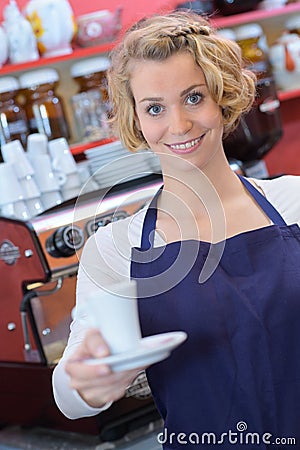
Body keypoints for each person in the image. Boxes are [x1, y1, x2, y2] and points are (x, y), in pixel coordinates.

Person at [52, 10, 300, 449]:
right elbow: (71, 395)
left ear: (222, 95)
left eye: (192, 97)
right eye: (154, 108)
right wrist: (87, 383)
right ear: (137, 119)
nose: (179, 125)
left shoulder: (293, 202)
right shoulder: (117, 247)